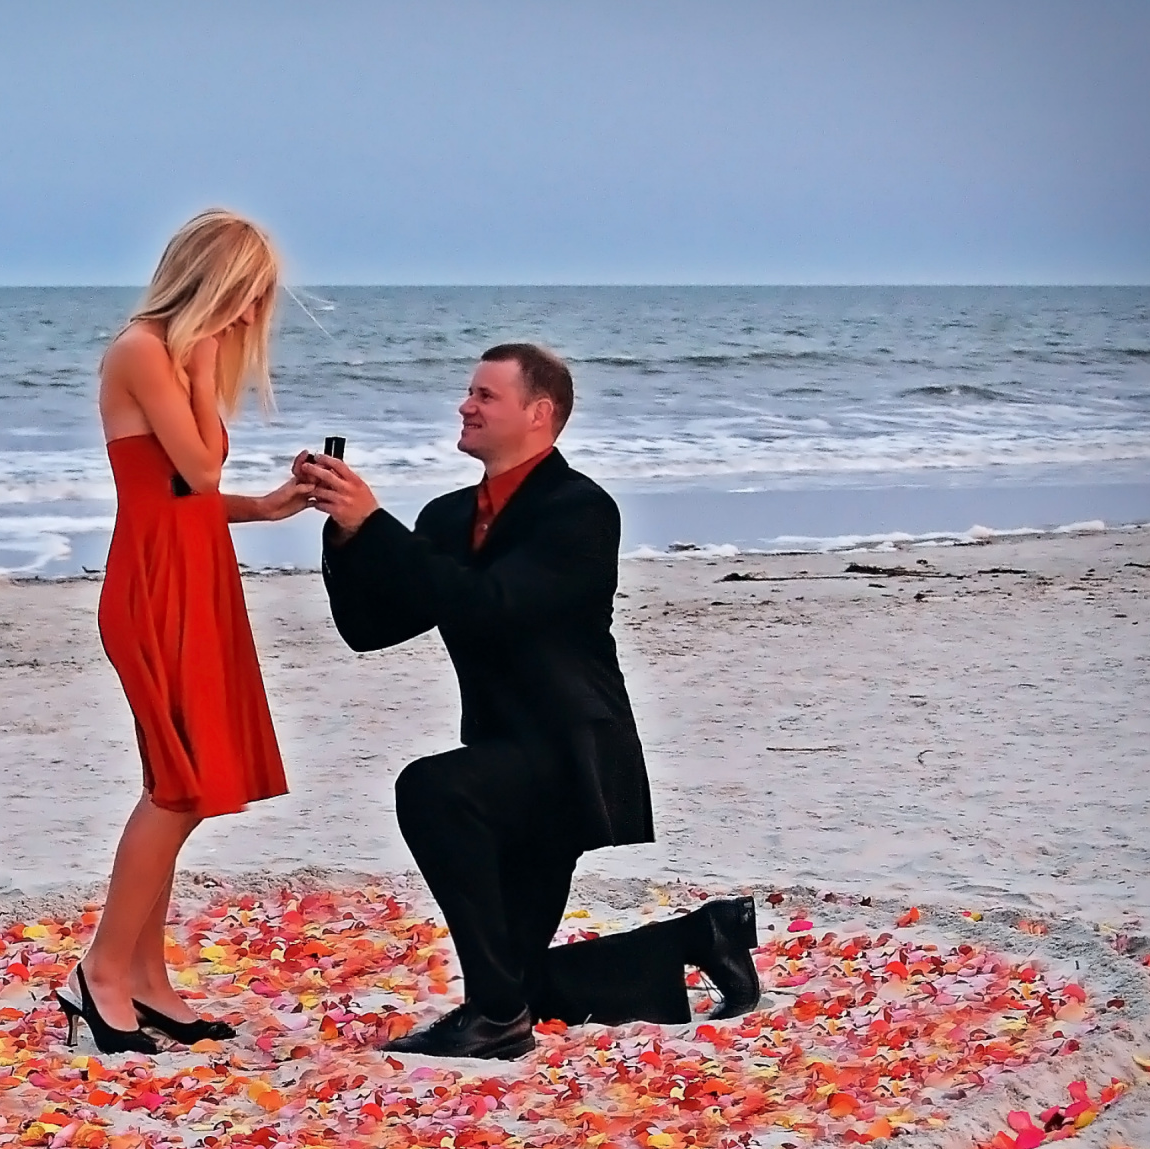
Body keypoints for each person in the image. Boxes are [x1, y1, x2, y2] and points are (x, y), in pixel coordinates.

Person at [294, 343, 760, 1061]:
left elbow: (493, 605)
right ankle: (700, 936)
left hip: (572, 757)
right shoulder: (449, 516)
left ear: (539, 414)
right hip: (498, 754)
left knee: (430, 789)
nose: (465, 406)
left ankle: (498, 1022)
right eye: (469, 392)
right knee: (517, 978)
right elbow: (370, 627)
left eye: (485, 395)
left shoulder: (581, 510)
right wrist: (349, 531)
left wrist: (380, 525)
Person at [60, 209, 313, 1055]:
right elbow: (198, 471)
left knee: (182, 786)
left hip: (192, 578)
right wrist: (203, 371)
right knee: (178, 787)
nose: (251, 316)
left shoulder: (168, 357)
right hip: (156, 589)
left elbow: (180, 496)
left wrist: (265, 508)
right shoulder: (144, 350)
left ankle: (146, 978)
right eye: (246, 295)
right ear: (212, 283)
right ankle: (100, 974)